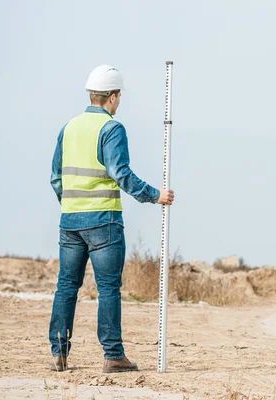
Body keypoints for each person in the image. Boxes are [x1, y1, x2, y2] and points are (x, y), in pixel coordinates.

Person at [48, 65, 175, 372]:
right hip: (103, 220)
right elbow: (121, 174)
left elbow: (55, 178)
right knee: (108, 288)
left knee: (67, 286)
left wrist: (71, 205)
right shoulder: (112, 129)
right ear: (113, 97)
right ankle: (113, 355)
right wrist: (154, 195)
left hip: (70, 221)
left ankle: (59, 353)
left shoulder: (69, 127)